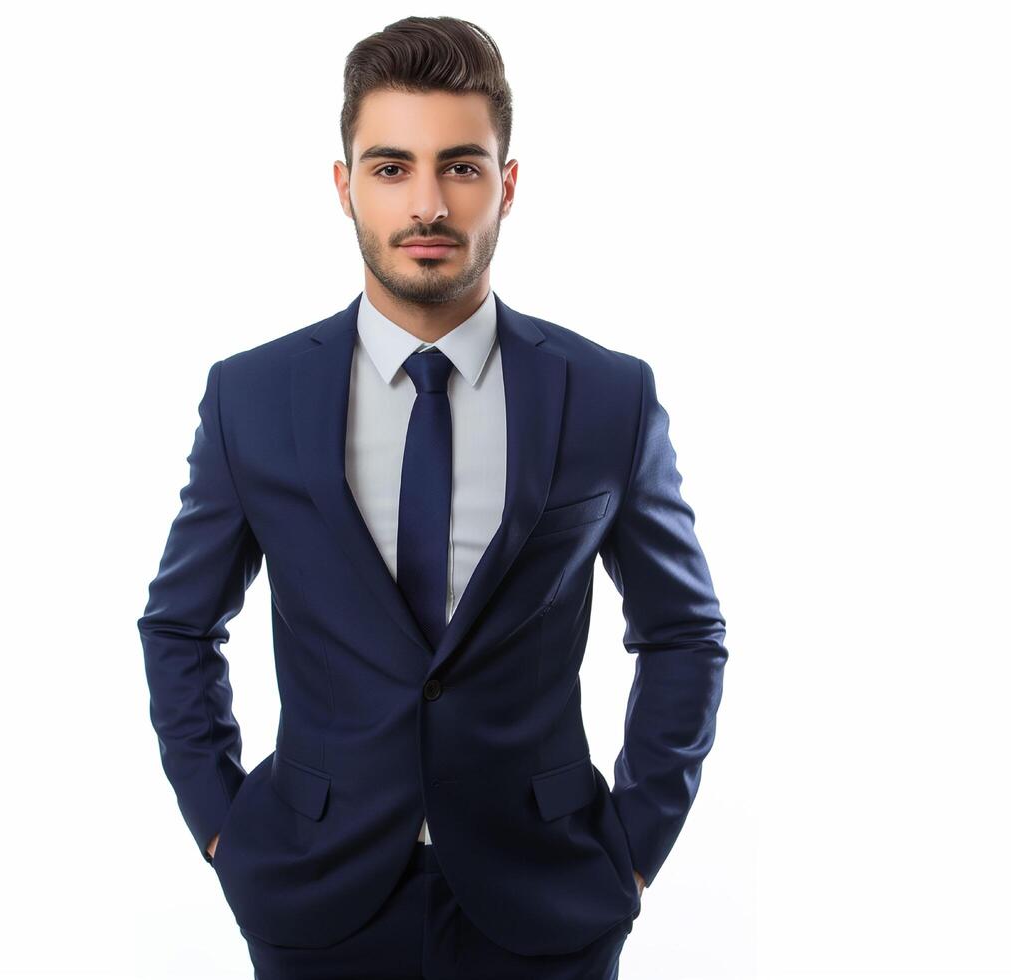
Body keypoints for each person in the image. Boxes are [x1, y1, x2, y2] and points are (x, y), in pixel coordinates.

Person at [137, 15, 728, 979]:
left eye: (459, 166)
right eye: (389, 167)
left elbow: (684, 632)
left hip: (545, 900)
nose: (427, 204)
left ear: (508, 183)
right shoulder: (251, 397)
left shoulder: (607, 397)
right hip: (315, 898)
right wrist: (223, 828)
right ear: (343, 186)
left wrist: (635, 850)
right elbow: (179, 625)